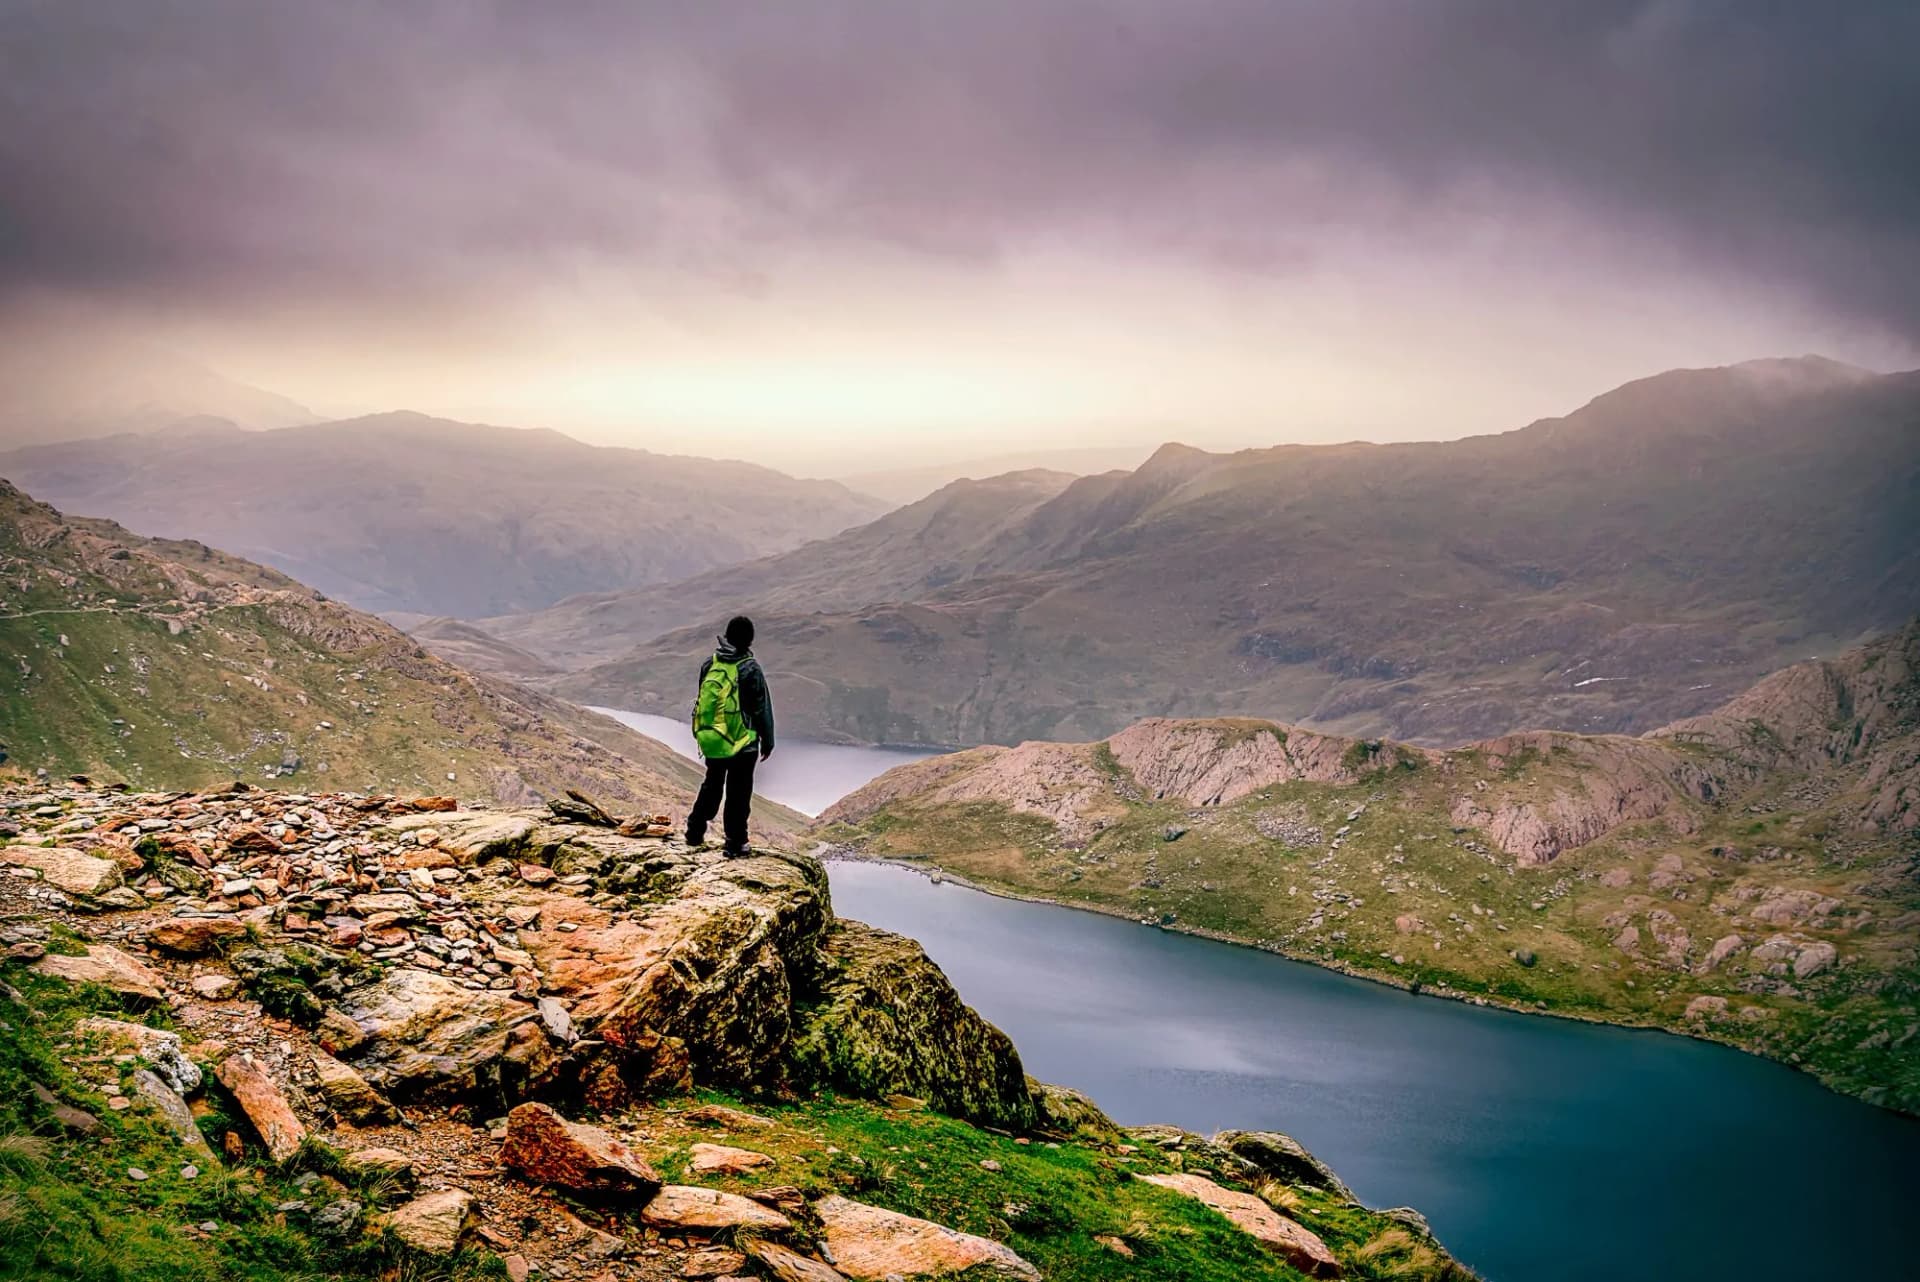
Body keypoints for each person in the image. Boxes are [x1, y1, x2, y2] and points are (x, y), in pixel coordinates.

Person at [685, 614, 774, 855]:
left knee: (712, 783)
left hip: (714, 737)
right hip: (743, 742)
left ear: (727, 636)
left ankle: (694, 829)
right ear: (750, 640)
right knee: (738, 792)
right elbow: (760, 707)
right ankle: (735, 842)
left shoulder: (710, 663)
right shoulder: (749, 667)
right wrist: (768, 740)